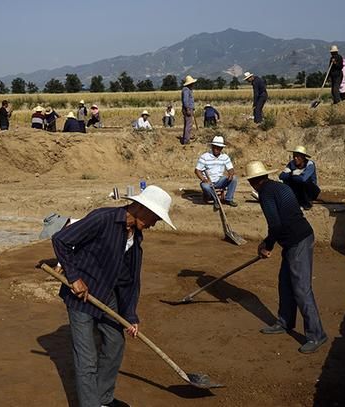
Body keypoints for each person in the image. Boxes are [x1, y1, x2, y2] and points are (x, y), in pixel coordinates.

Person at [51, 186, 175, 407]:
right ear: (140, 208)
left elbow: (129, 281)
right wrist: (74, 277)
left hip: (106, 295)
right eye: (155, 217)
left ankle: (103, 399)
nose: (155, 223)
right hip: (80, 297)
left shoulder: (135, 239)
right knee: (86, 359)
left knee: (115, 342)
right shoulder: (103, 219)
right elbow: (61, 239)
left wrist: (130, 315)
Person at [245, 161, 327, 354]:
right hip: (294, 240)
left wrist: (268, 245)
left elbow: (275, 225)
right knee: (285, 283)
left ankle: (317, 334)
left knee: (301, 289)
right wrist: (268, 242)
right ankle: (285, 322)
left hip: (298, 241)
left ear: (252, 182)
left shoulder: (265, 194)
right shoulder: (279, 186)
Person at [195, 136, 238, 208]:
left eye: (219, 147)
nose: (216, 149)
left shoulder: (225, 157)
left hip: (220, 180)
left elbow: (231, 169)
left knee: (234, 178)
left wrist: (230, 174)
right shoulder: (205, 156)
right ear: (212, 146)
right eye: (215, 147)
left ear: (221, 148)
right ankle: (216, 200)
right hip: (208, 181)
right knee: (205, 186)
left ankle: (228, 199)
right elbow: (197, 170)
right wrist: (204, 179)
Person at [279, 145, 321, 210]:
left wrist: (291, 175)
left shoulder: (310, 164)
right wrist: (292, 174)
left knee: (304, 181)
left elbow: (303, 179)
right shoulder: (291, 164)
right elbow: (281, 176)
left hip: (311, 191)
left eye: (298, 156)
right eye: (294, 156)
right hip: (298, 189)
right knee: (286, 182)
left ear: (303, 157)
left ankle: (307, 203)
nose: (295, 158)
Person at [180, 75, 197, 144]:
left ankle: (186, 138)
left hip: (189, 108)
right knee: (188, 125)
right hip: (188, 109)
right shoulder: (186, 90)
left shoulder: (188, 90)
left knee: (188, 124)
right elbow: (185, 101)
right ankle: (186, 140)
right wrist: (188, 109)